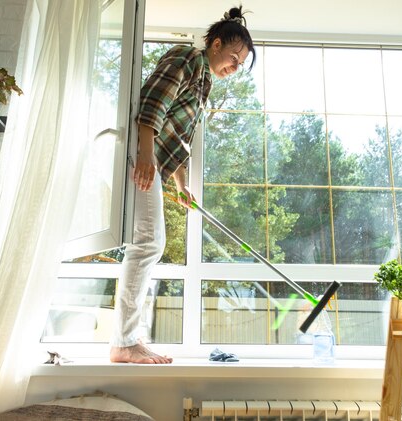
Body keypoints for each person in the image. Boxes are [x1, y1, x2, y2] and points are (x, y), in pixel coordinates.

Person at [110, 6, 256, 364]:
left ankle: (127, 339)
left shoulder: (204, 82)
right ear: (216, 44)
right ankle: (124, 343)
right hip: (141, 155)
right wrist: (146, 155)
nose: (235, 69)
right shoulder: (187, 58)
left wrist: (180, 184)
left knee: (149, 243)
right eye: (234, 59)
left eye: (240, 65)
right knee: (148, 243)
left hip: (155, 161)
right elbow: (153, 105)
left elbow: (180, 137)